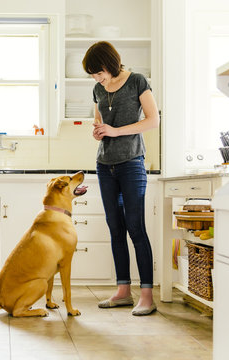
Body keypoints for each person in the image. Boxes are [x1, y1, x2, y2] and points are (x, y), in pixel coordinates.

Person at [82, 41, 160, 316]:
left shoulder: (137, 80)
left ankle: (147, 295)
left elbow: (152, 120)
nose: (96, 78)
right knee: (115, 228)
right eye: (92, 74)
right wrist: (99, 131)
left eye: (98, 72)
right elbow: (99, 121)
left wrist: (115, 132)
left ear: (110, 63)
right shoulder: (97, 88)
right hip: (105, 164)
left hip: (131, 163)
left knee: (136, 227)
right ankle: (123, 291)